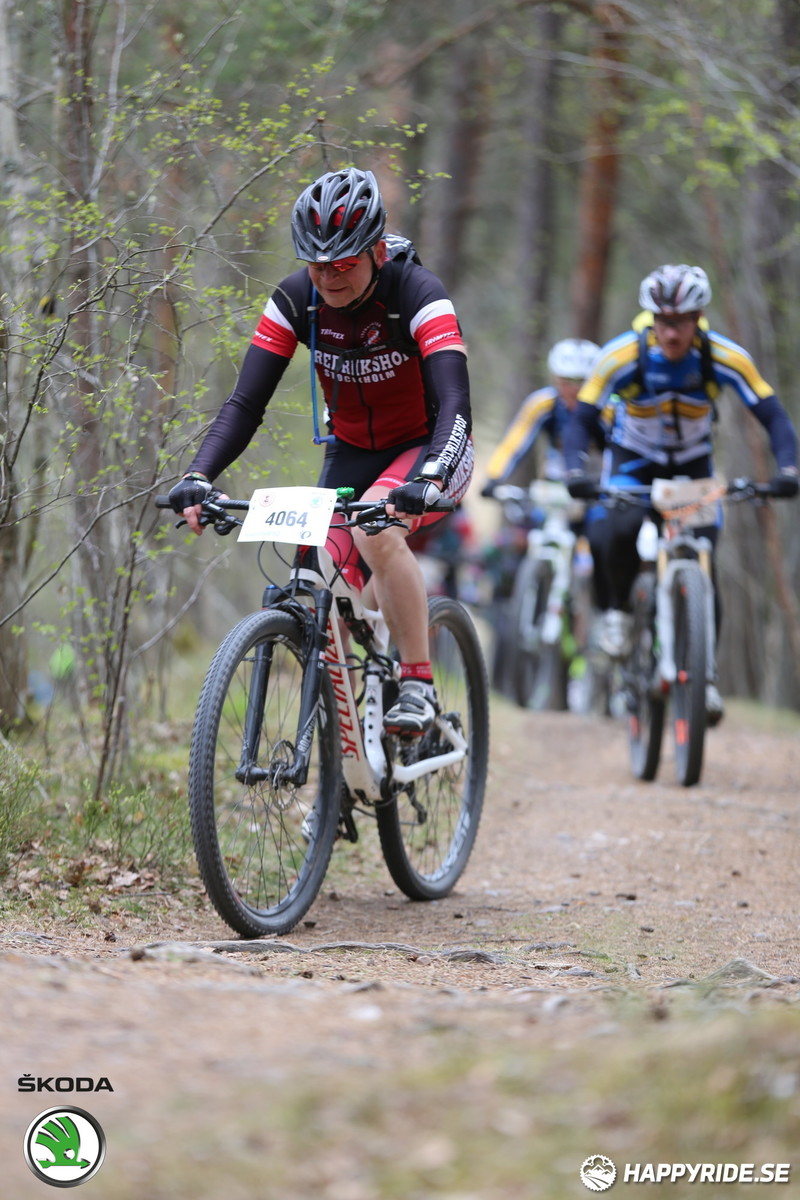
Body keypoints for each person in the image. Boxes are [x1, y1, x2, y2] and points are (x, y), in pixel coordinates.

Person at [167, 166, 473, 737]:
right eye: (317, 263)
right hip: (350, 455)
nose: (328, 276)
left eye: (343, 263)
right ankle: (342, 766)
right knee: (314, 574)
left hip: (429, 450)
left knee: (376, 534)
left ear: (376, 249)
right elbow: (245, 403)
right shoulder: (296, 299)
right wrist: (199, 474)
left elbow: (456, 399)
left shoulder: (419, 296)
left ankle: (416, 685)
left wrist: (430, 476)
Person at [564, 263, 799, 724]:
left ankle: (704, 679)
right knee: (614, 530)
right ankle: (619, 614)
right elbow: (581, 418)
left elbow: (772, 415)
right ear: (652, 319)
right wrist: (576, 469)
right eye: (664, 322)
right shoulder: (621, 355)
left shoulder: (723, 356)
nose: (672, 334)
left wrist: (788, 469)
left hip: (692, 469)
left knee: (703, 559)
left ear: (698, 318)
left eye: (683, 322)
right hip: (633, 464)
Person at [480, 338, 601, 494]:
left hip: (599, 481)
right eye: (567, 380)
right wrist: (494, 477)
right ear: (555, 378)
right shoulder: (542, 403)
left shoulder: (608, 405)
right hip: (555, 481)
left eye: (582, 381)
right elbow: (514, 443)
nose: (574, 388)